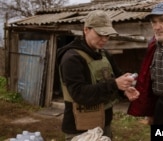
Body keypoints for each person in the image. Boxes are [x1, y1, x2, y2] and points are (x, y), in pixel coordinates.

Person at [57, 10, 139, 141]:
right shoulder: (71, 58)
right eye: (100, 34)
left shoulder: (105, 55)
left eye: (107, 35)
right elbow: (79, 94)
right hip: (80, 129)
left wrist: (124, 89)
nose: (104, 39)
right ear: (86, 30)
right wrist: (115, 84)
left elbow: (116, 79)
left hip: (104, 123)